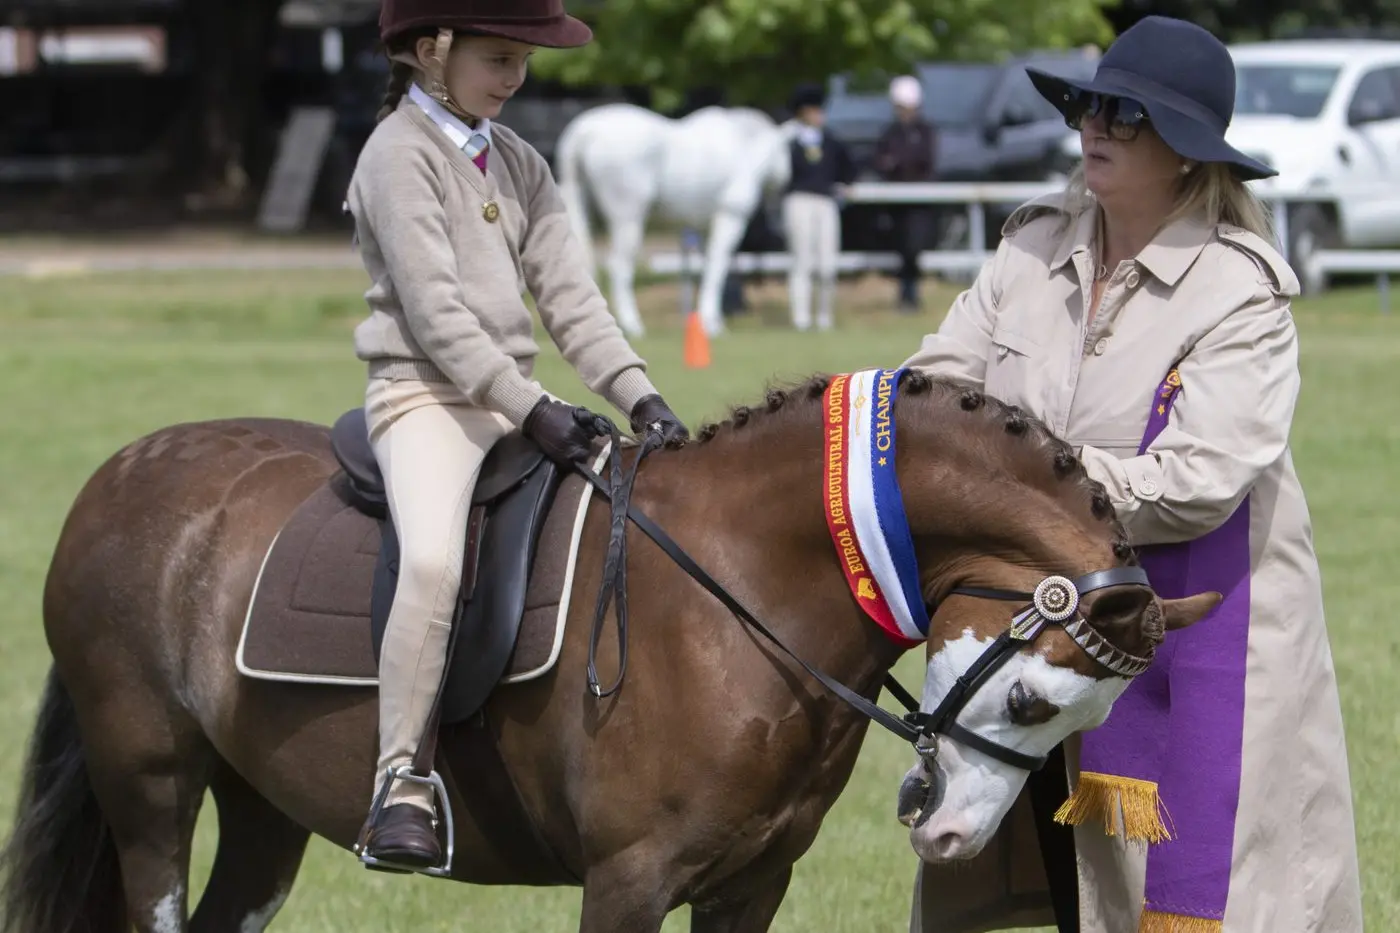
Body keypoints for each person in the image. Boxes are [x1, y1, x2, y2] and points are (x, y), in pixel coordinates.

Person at [902, 16, 1362, 933]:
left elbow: (1199, 479)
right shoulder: (1029, 247)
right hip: (1025, 624)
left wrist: (1011, 495)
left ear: (1191, 157)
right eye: (1090, 105)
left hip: (1199, 637)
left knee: (1206, 895)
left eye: (1129, 114)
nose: (1096, 126)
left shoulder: (1240, 288)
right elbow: (931, 393)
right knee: (1060, 880)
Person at [346, 0, 689, 871]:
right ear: (431, 50)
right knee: (431, 561)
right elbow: (436, 315)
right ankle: (400, 781)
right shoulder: (396, 154)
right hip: (424, 398)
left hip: (512, 402)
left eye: (522, 59)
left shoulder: (521, 162)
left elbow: (572, 302)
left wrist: (641, 396)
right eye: (498, 57)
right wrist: (535, 407)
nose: (515, 76)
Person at [781, 82, 856, 331]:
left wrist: (845, 184)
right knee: (802, 261)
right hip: (799, 200)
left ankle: (824, 316)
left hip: (825, 201)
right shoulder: (789, 142)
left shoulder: (831, 141)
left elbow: (848, 169)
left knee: (827, 264)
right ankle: (800, 318)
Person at [873, 75, 937, 311]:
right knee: (902, 247)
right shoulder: (890, 133)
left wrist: (898, 163)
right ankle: (905, 295)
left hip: (919, 203)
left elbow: (924, 162)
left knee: (914, 247)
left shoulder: (925, 132)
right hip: (896, 203)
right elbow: (881, 163)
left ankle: (911, 295)